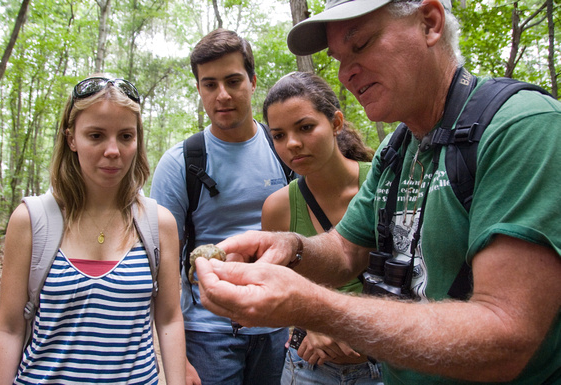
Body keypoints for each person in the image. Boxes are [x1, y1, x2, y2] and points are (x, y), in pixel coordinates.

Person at [193, 1, 561, 384]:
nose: (345, 73)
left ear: (430, 23)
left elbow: (506, 335)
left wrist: (311, 306)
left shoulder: (521, 127)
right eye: (338, 58)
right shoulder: (397, 150)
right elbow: (346, 250)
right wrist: (290, 247)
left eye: (362, 44)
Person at [0, 76, 186, 384]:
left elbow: (169, 319)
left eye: (126, 136)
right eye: (96, 135)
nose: (113, 150)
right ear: (71, 138)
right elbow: (10, 328)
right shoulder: (31, 220)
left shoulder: (158, 223)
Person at [150, 29, 289, 385]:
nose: (222, 95)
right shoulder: (181, 162)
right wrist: (175, 356)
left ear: (253, 81)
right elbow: (160, 262)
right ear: (198, 90)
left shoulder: (286, 150)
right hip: (206, 332)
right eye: (209, 84)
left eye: (233, 81)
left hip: (279, 326)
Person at [261, 71, 381, 385]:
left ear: (336, 123)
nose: (293, 144)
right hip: (309, 368)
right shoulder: (278, 207)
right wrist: (307, 326)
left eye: (305, 127)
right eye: (278, 135)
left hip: (386, 365)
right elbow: (278, 289)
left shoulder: (384, 183)